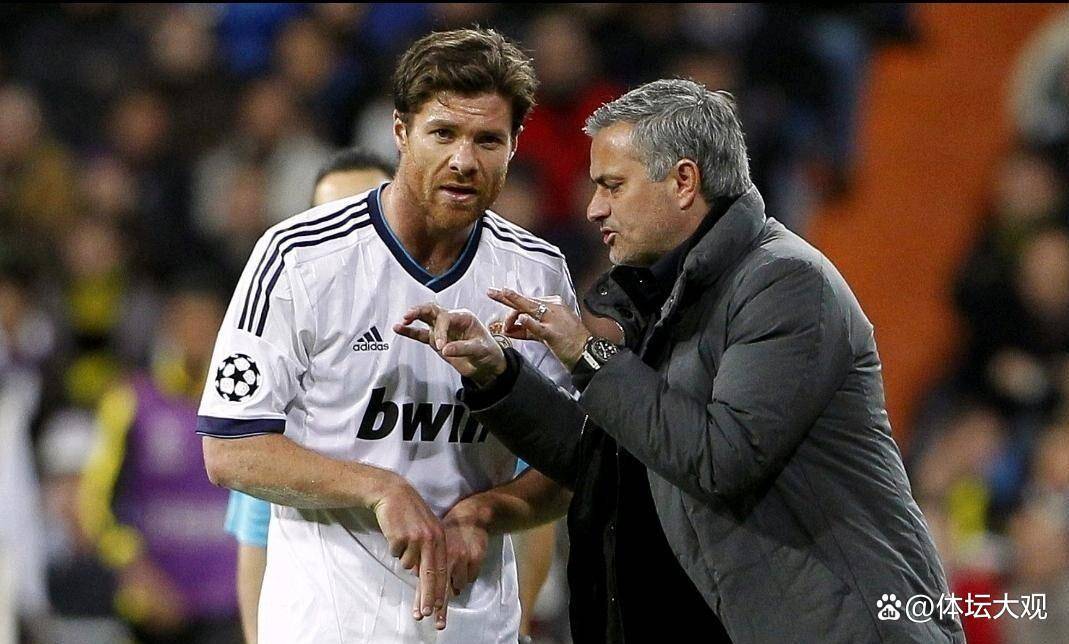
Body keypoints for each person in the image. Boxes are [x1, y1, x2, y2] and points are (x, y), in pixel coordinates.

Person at [396, 79, 966, 643]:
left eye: (613, 185)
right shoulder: (669, 296)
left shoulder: (785, 282)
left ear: (684, 181)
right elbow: (607, 458)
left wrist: (587, 354)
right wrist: (497, 374)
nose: (594, 208)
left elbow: (722, 458)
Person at [198, 28, 575, 644]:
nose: (464, 160)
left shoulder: (537, 273)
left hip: (476, 626)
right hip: (329, 625)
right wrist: (378, 488)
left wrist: (487, 512)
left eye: (488, 140)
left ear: (514, 146)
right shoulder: (298, 257)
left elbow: (569, 463)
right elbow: (230, 448)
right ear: (401, 132)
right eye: (443, 133)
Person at [222, 146, 395, 644]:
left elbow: (522, 493)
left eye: (366, 210)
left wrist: (516, 622)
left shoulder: (456, 324)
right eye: (331, 216)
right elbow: (258, 529)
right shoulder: (285, 348)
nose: (351, 231)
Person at [79, 284, 241, 644]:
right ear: (169, 327)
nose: (196, 333)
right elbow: (94, 502)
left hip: (228, 605)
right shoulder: (131, 401)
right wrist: (135, 569)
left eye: (206, 324)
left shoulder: (244, 408)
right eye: (187, 322)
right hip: (154, 607)